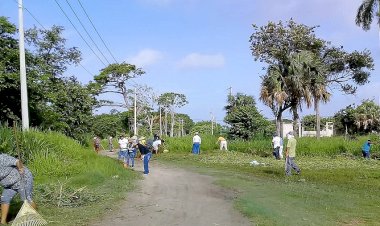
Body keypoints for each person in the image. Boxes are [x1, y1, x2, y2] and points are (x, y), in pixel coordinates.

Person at [0, 153, 36, 225]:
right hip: (9, 184)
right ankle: (3, 222)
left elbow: (17, 161)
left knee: (26, 199)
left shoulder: (2, 158)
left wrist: (21, 168)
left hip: (22, 179)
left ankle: (32, 218)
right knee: (4, 199)